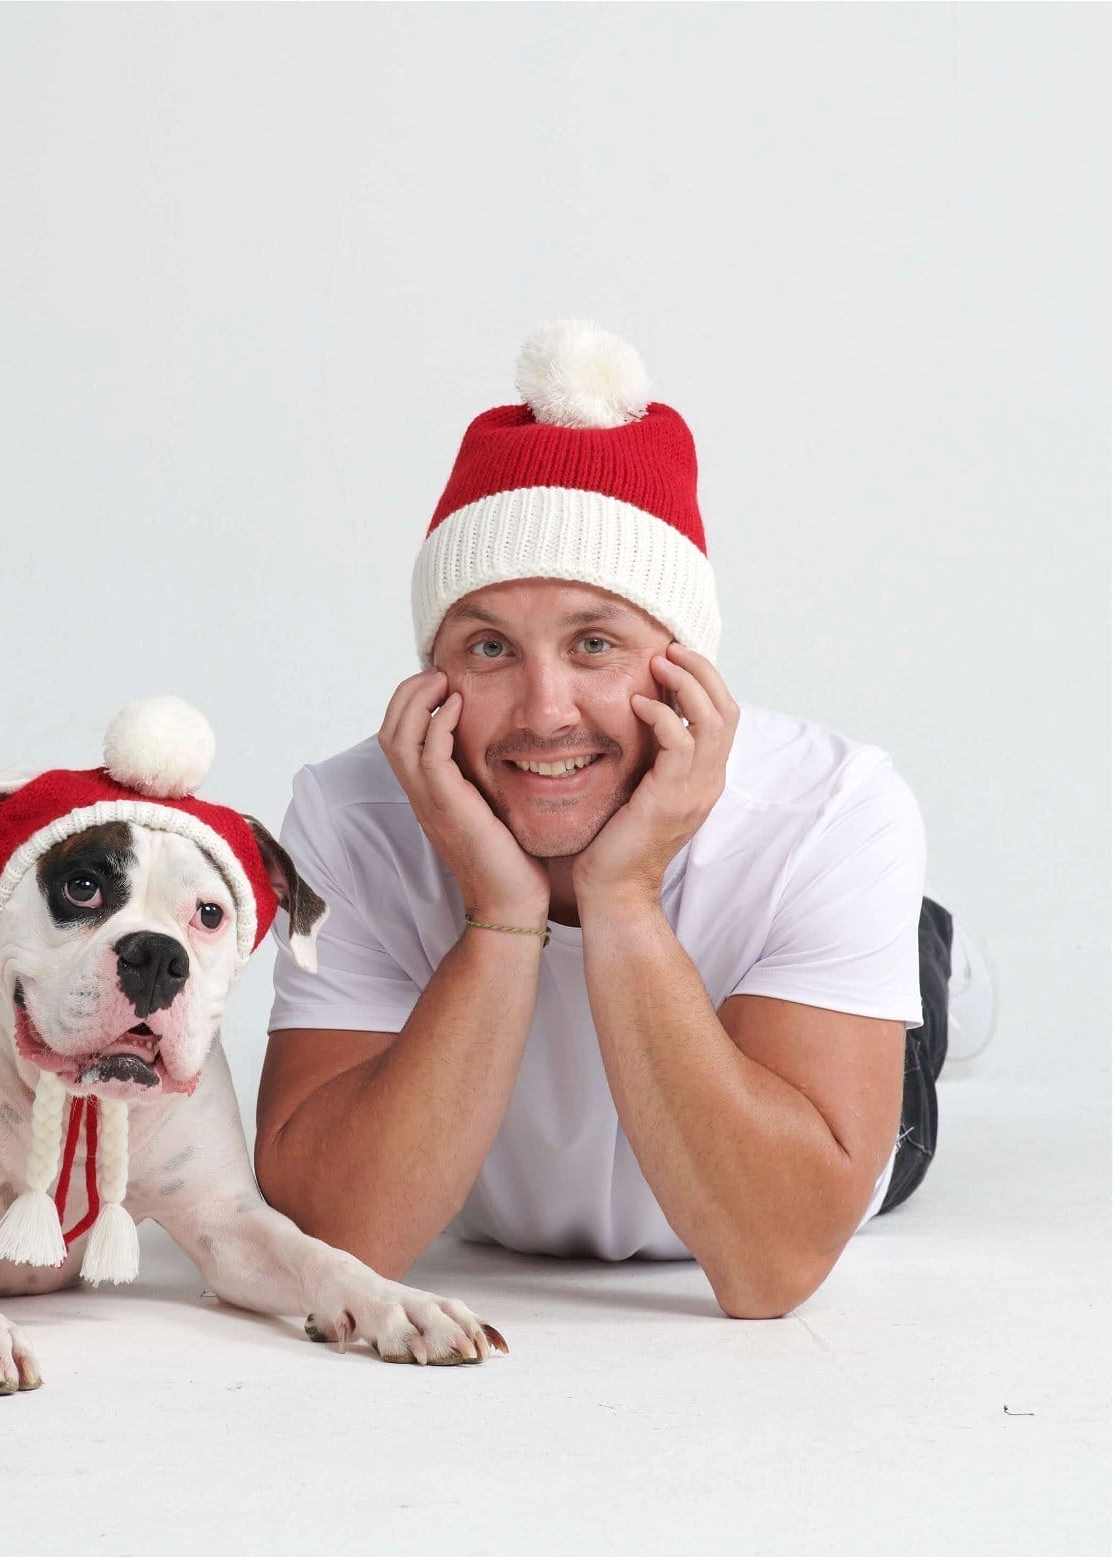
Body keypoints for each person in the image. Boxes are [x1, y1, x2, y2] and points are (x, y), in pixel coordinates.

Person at [253, 320, 993, 1319]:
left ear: (682, 664)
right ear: (433, 674)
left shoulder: (831, 808)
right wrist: (504, 913)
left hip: (806, 1093)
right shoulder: (347, 817)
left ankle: (924, 954)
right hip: (506, 1195)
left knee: (893, 1031)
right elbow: (340, 1245)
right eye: (487, 648)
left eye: (594, 642)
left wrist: (623, 896)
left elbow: (770, 1265)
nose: (544, 709)